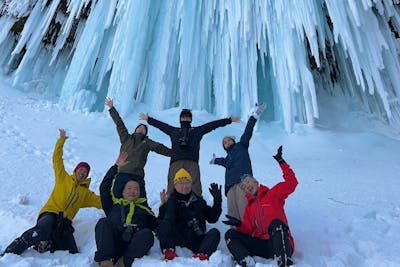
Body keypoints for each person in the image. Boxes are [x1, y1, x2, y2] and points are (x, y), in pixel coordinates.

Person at [2, 129, 102, 256]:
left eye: (85, 172)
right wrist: (61, 141)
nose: (83, 173)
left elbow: (101, 202)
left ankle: (48, 243)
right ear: (75, 171)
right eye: (81, 170)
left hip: (65, 221)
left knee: (71, 251)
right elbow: (57, 159)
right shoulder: (63, 178)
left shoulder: (86, 194)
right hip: (50, 213)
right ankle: (11, 252)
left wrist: (120, 201)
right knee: (42, 230)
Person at [223, 146, 297, 267]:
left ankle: (284, 262)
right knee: (230, 234)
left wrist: (281, 162)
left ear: (256, 182)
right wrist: (239, 225)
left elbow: (292, 183)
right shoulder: (249, 208)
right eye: (243, 187)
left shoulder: (273, 194)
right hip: (262, 245)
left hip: (278, 243)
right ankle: (246, 262)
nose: (246, 186)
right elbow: (248, 230)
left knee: (276, 224)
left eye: (247, 182)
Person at [140, 109, 240, 196]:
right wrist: (148, 119)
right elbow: (161, 125)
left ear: (191, 119)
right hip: (176, 162)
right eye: (183, 117)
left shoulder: (197, 131)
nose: (185, 119)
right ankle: (169, 210)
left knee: (195, 187)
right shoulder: (174, 131)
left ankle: (196, 212)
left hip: (192, 163)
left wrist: (229, 120)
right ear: (180, 119)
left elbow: (212, 125)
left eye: (187, 117)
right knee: (172, 186)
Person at [94, 152, 158, 267]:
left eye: (136, 189)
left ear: (139, 194)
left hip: (132, 248)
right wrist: (115, 167)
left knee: (147, 234)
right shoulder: (113, 205)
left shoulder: (145, 209)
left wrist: (164, 205)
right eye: (129, 188)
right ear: (122, 192)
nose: (132, 191)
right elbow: (104, 187)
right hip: (113, 244)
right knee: (103, 222)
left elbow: (159, 226)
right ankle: (106, 262)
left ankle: (122, 263)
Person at [210, 103, 266, 220]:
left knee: (245, 211)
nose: (227, 143)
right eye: (224, 143)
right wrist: (215, 160)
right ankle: (234, 236)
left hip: (243, 183)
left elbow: (247, 132)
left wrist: (253, 117)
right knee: (233, 214)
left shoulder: (242, 145)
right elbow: (222, 161)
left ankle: (251, 234)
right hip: (230, 187)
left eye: (228, 140)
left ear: (233, 141)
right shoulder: (227, 158)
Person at [105, 98, 171, 198]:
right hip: (122, 173)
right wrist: (112, 108)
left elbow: (159, 148)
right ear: (135, 129)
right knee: (116, 198)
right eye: (139, 127)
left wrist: (174, 153)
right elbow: (119, 124)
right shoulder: (126, 138)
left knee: (141, 201)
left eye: (144, 129)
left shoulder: (147, 142)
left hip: (137, 176)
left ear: (145, 133)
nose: (141, 129)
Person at [156, 168, 223, 261]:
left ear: (191, 184)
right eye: (181, 183)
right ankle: (169, 251)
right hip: (178, 238)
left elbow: (212, 218)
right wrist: (163, 205)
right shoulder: (171, 201)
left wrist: (217, 201)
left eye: (187, 182)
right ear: (175, 185)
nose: (184, 186)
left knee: (215, 232)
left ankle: (201, 254)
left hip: (197, 239)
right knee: (164, 223)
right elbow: (162, 223)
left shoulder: (199, 201)